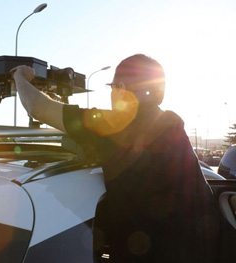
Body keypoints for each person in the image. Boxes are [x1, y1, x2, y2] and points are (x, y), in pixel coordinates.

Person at [12, 54, 225, 262]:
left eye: (112, 87)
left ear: (121, 88)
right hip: (200, 249)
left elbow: (37, 107)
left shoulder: (115, 125)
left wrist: (20, 77)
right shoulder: (170, 124)